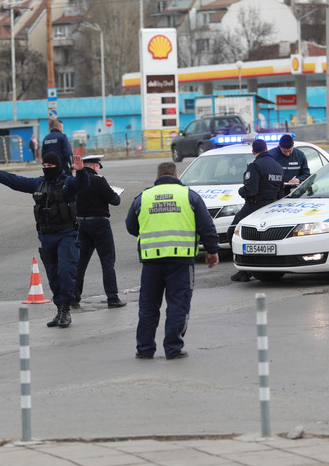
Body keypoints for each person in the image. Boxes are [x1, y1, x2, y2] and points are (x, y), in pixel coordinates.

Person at [0, 152, 88, 328]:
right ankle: (59, 309)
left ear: (58, 167)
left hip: (66, 234)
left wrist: (81, 171)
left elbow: (82, 184)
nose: (46, 169)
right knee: (53, 276)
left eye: (50, 167)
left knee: (66, 272)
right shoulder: (39, 183)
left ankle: (66, 310)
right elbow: (15, 181)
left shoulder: (68, 183)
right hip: (46, 236)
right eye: (44, 166)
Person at [126, 162, 219, 360]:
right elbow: (207, 227)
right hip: (181, 261)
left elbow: (131, 226)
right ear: (176, 174)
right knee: (178, 304)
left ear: (157, 176)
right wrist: (212, 251)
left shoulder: (143, 198)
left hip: (151, 261)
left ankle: (144, 349)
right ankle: (173, 348)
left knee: (148, 306)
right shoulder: (189, 196)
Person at [227, 139, 285, 282]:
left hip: (254, 206)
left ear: (254, 152)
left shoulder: (255, 166)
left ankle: (244, 270)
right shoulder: (278, 167)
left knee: (233, 231)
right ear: (266, 148)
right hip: (272, 206)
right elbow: (280, 192)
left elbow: (251, 190)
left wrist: (241, 191)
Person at [74, 155, 125, 309]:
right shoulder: (98, 180)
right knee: (107, 262)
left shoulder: (77, 181)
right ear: (96, 166)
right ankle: (112, 298)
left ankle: (74, 298)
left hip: (81, 223)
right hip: (100, 224)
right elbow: (115, 201)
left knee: (80, 264)